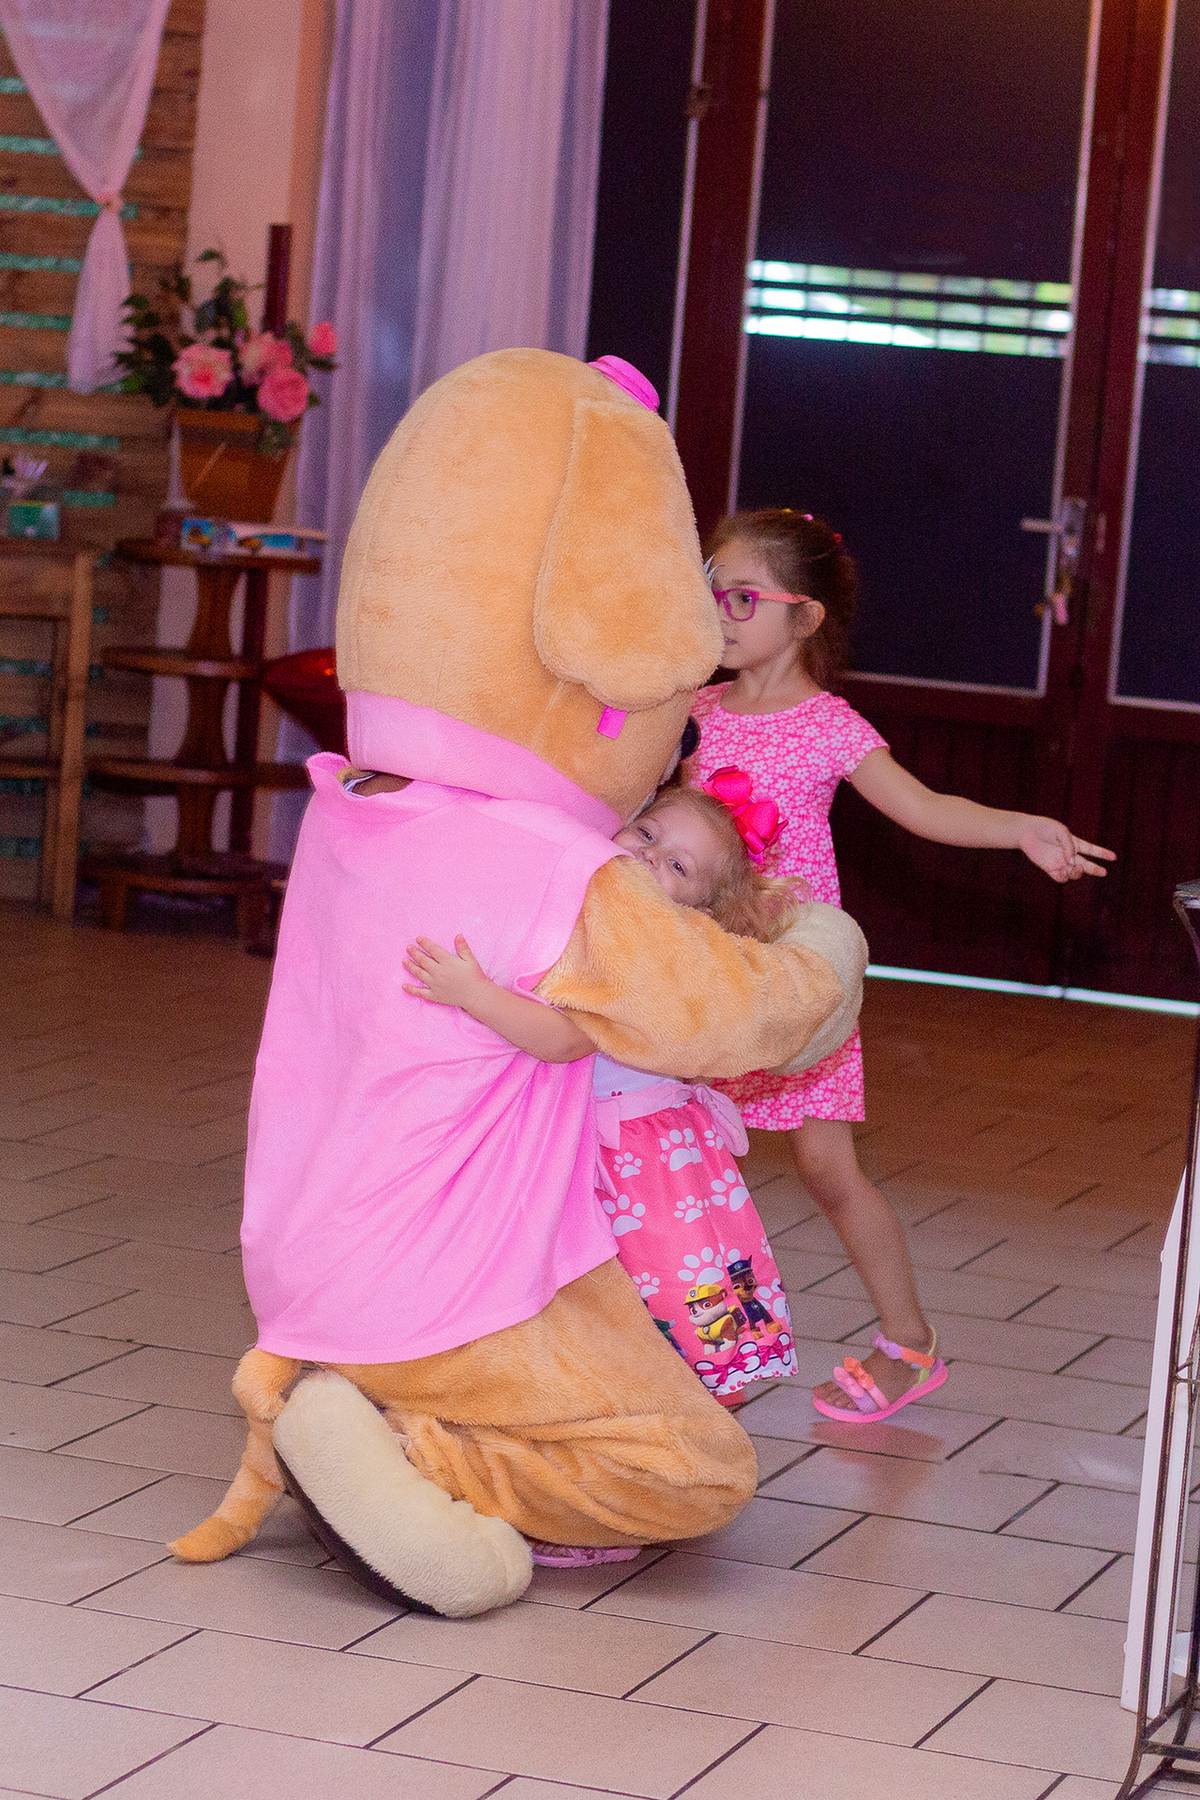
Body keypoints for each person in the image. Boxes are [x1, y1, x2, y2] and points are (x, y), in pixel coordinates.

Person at [689, 507, 1115, 1424]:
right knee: (679, 1160)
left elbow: (924, 808)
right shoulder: (690, 710)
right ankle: (700, 1345)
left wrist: (1019, 830)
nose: (717, 611)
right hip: (704, 982)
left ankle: (909, 1344)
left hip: (798, 990)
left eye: (742, 596)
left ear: (803, 617)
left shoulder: (828, 724)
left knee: (829, 1172)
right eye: (708, 591)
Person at [402, 782, 803, 1422]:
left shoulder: (645, 955)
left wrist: (473, 993)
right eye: (646, 834)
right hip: (635, 1145)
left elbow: (563, 1040)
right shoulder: (613, 922)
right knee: (635, 1287)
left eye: (678, 866)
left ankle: (691, 1418)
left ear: (704, 910)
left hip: (637, 1160)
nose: (649, 858)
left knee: (656, 1283)